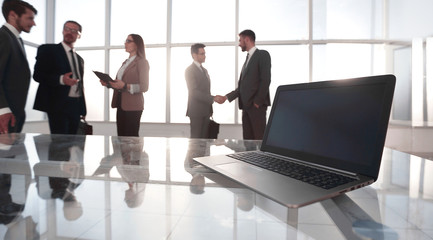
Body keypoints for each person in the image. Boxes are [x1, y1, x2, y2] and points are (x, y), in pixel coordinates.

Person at [33, 20, 87, 134]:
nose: (69, 32)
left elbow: (81, 84)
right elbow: (38, 75)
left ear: (79, 35)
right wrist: (61, 79)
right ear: (62, 31)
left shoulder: (80, 59)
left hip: (76, 105)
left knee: (73, 141)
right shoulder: (48, 50)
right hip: (57, 104)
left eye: (74, 31)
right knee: (59, 144)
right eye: (67, 29)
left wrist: (83, 108)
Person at [218, 29, 271, 140]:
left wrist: (257, 102)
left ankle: (261, 159)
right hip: (246, 108)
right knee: (248, 141)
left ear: (247, 39)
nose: (239, 43)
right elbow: (242, 87)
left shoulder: (262, 55)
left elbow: (265, 80)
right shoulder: (247, 60)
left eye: (240, 40)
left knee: (259, 140)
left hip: (257, 108)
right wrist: (226, 97)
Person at [100, 34, 149, 137]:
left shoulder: (142, 62)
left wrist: (126, 86)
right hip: (121, 104)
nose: (125, 43)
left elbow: (144, 86)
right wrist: (109, 84)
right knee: (121, 137)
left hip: (133, 106)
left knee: (131, 138)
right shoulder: (125, 63)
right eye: (125, 40)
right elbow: (120, 84)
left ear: (137, 44)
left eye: (128, 41)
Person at [0, 0, 37, 134]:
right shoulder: (3, 37)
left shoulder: (16, 39)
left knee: (11, 154)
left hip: (13, 115)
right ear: (12, 15)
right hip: (4, 117)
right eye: (30, 18)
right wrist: (2, 110)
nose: (34, 23)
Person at [185, 43, 223, 138]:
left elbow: (205, 90)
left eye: (204, 53)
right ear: (194, 55)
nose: (204, 56)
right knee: (196, 142)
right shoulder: (189, 70)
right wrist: (213, 98)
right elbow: (194, 92)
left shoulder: (204, 70)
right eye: (202, 54)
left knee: (206, 143)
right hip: (196, 112)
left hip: (206, 111)